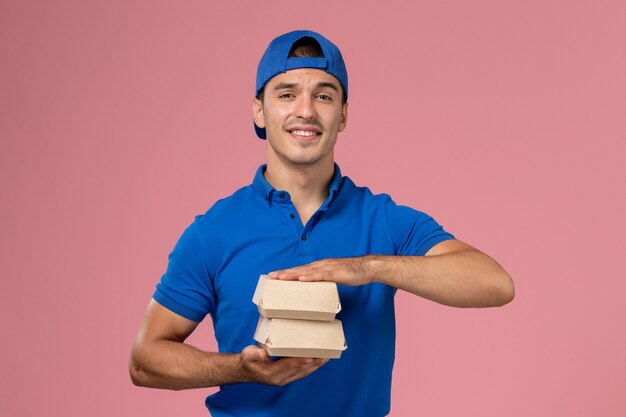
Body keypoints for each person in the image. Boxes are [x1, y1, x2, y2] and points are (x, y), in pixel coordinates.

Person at [129, 30, 514, 417]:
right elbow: (145, 360)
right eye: (286, 94)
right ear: (259, 111)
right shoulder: (213, 232)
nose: (306, 111)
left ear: (343, 114)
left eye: (324, 95)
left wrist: (366, 267)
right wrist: (237, 368)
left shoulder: (383, 219)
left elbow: (493, 283)